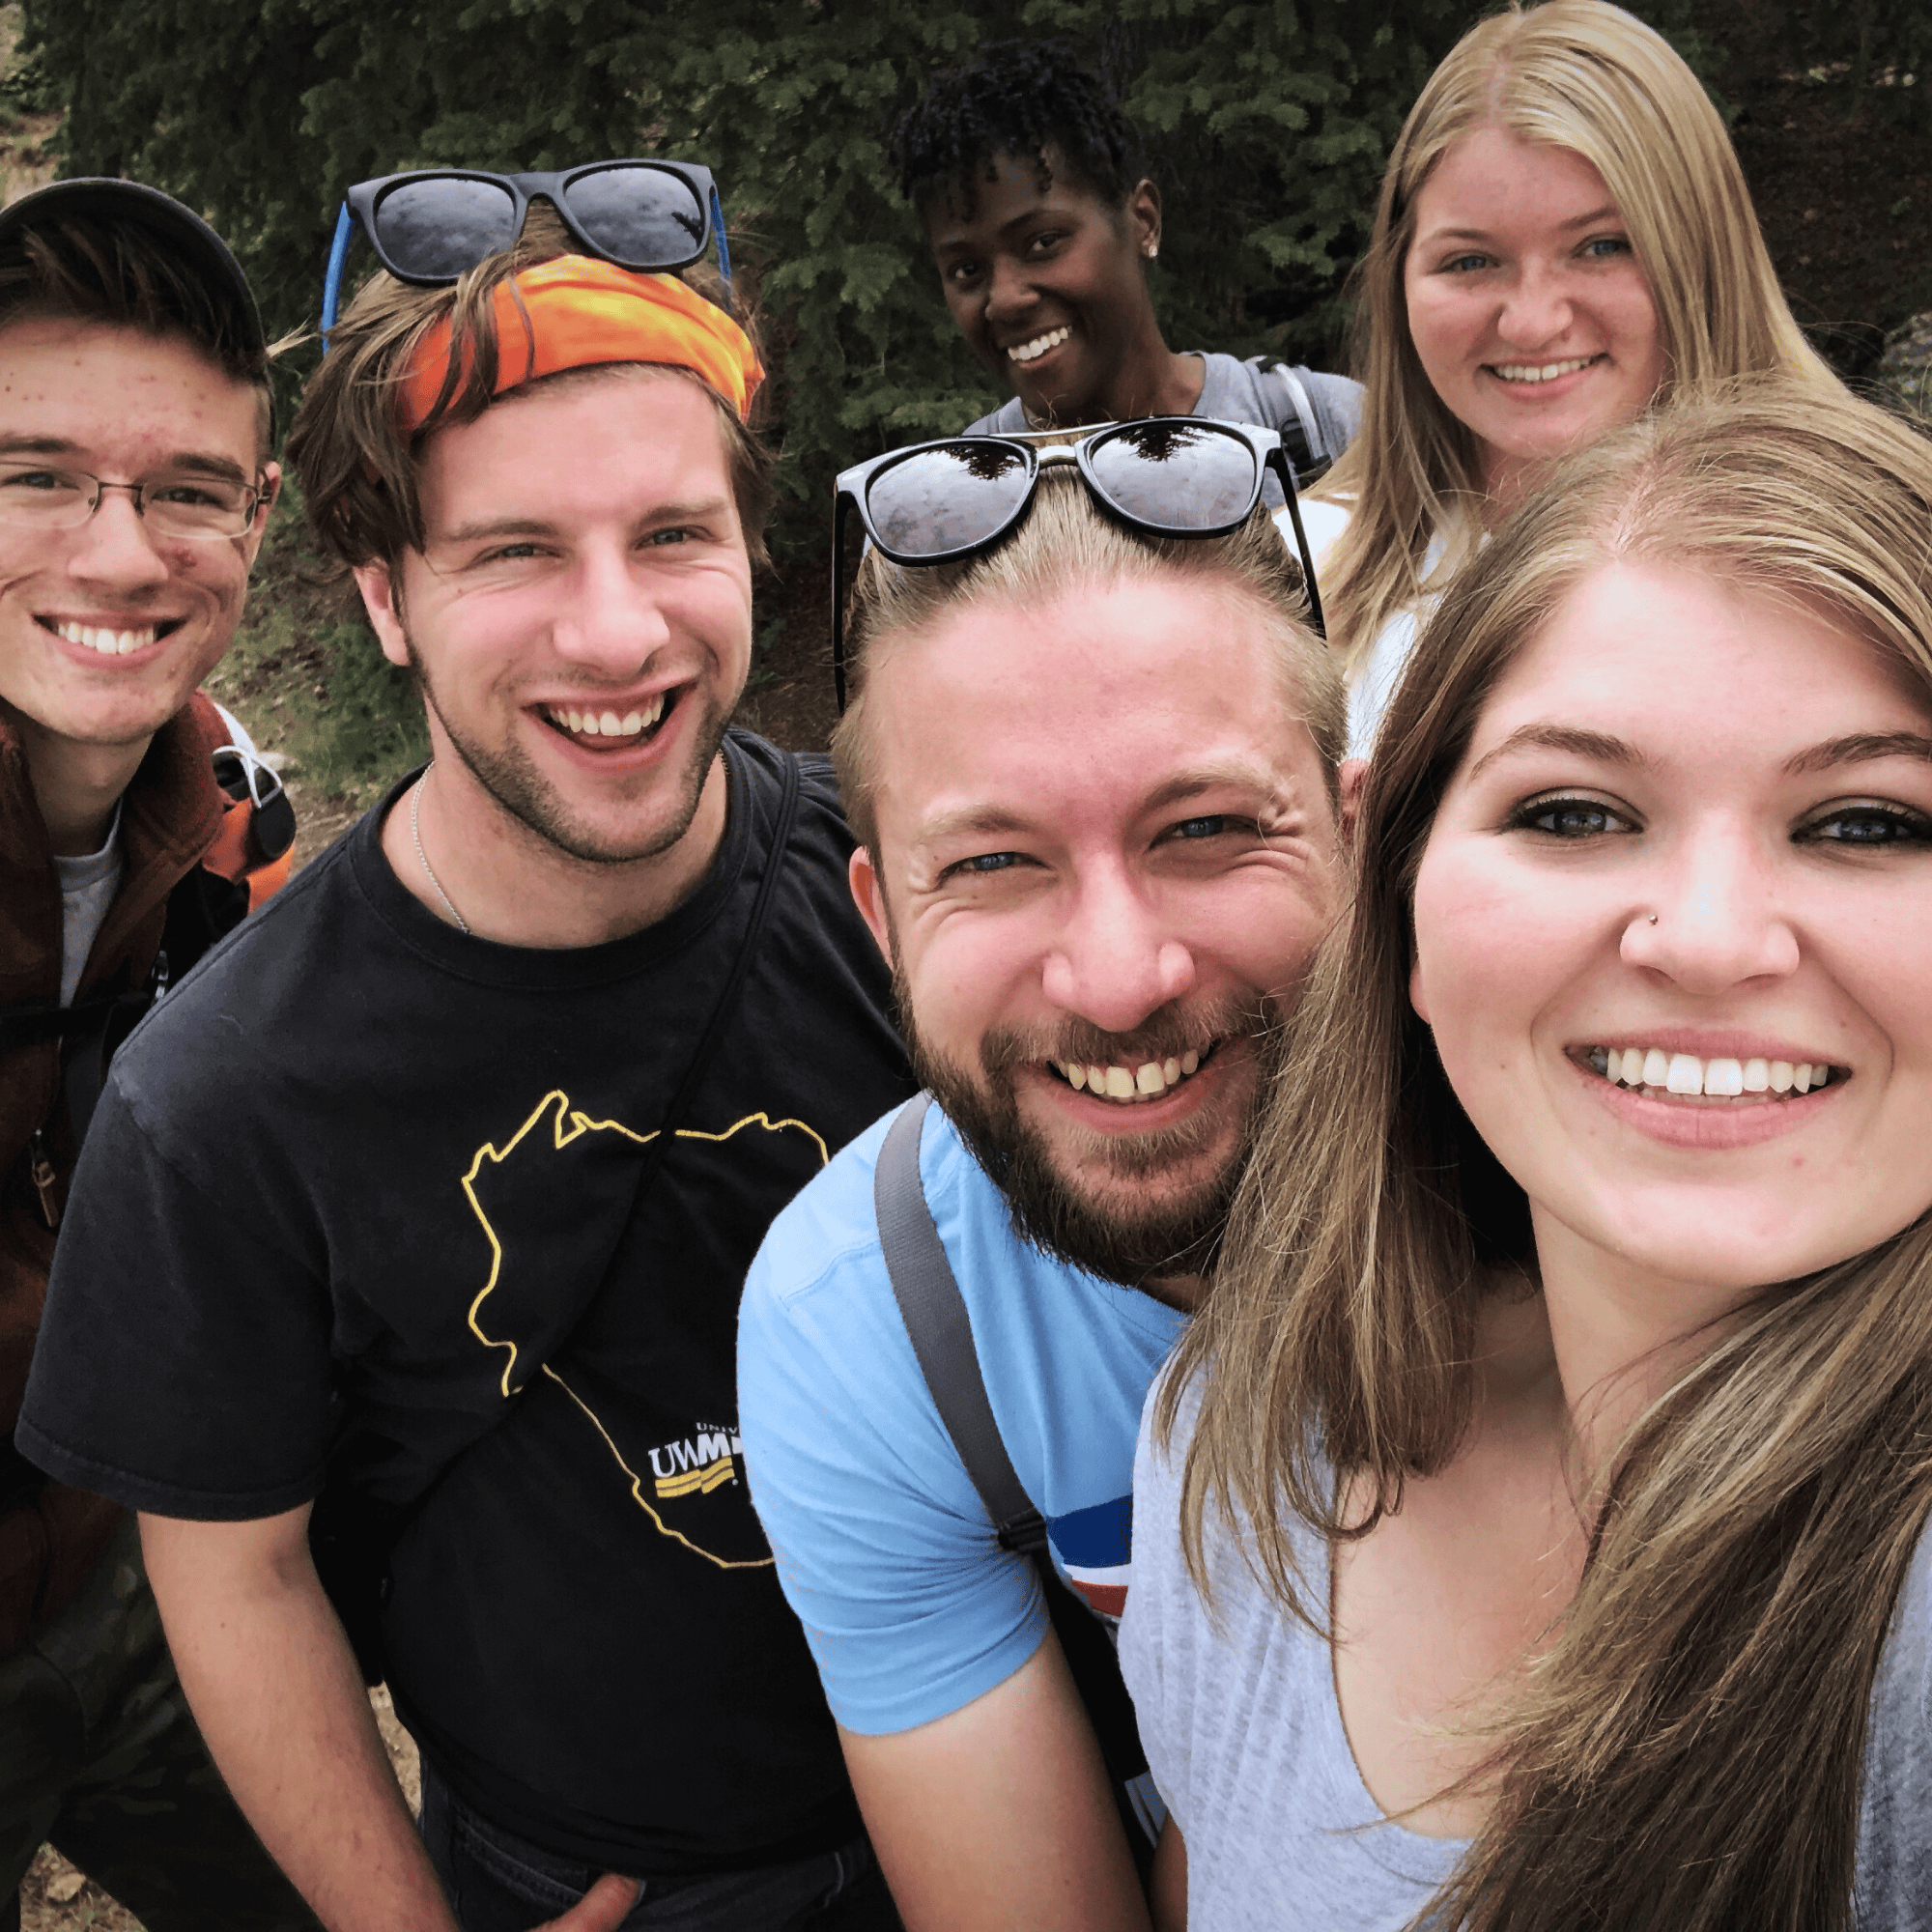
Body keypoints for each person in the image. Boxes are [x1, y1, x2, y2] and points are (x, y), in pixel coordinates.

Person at [16, 185, 915, 1932]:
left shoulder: (909, 890)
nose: (614, 632)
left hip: (1024, 1792)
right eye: (514, 554)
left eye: (672, 535)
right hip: (594, 1883)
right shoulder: (219, 1099)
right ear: (383, 596)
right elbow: (241, 1581)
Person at [1122, 384, 1932, 1930]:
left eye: (1868, 824)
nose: (1704, 940)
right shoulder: (1235, 1447)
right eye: (1572, 812)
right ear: (1399, 897)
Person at [737, 422, 1353, 1931]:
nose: (1123, 979)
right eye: (995, 862)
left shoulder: (1579, 1184)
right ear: (881, 914)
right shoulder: (871, 1326)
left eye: (1204, 830)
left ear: (1359, 824)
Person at [0, 178, 315, 1932]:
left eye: (186, 490)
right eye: (36, 475)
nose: (122, 553)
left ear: (258, 519)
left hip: (130, 1588)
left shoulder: (233, 818)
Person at [1309, 0, 1846, 759]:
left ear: (1700, 253)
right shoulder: (1292, 585)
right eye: (1470, 261)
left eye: (1599, 247)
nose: (1531, 322)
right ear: (1400, 278)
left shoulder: (1867, 576)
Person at [889, 42, 1361, 494]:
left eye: (1042, 242)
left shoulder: (1337, 433)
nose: (1005, 298)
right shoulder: (949, 508)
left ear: (1143, 222)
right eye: (968, 270)